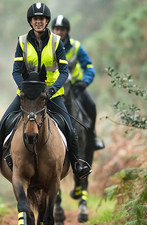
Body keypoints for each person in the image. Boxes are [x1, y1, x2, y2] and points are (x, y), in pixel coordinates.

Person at [0, 3, 92, 180]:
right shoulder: (22, 42)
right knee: (2, 125)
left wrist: (53, 89)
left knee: (69, 127)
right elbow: (16, 70)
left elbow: (64, 71)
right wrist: (24, 88)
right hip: (26, 95)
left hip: (51, 94)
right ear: (31, 21)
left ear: (46, 21)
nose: (39, 22)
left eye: (42, 19)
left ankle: (77, 165)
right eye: (35, 19)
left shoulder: (56, 42)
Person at [52, 15, 105, 150]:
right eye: (56, 29)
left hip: (75, 88)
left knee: (91, 106)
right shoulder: (46, 46)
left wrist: (84, 83)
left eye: (62, 29)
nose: (59, 32)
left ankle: (92, 139)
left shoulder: (76, 47)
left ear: (67, 31)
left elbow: (89, 67)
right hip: (52, 87)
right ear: (52, 30)